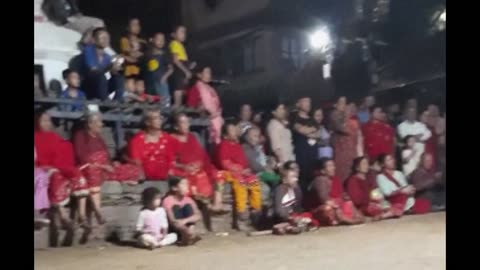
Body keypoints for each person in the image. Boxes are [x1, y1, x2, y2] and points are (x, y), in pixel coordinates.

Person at [73, 112, 144, 224]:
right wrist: (101, 165)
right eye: (99, 122)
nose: (102, 124)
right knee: (92, 171)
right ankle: (97, 212)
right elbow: (81, 156)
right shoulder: (80, 135)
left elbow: (106, 156)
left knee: (133, 169)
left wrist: (111, 164)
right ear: (91, 124)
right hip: (88, 168)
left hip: (103, 169)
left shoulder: (100, 138)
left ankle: (95, 212)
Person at [34, 110, 89, 229]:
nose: (46, 123)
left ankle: (82, 215)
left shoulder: (54, 137)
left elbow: (63, 155)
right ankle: (64, 216)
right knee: (56, 178)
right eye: (43, 121)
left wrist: (61, 167)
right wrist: (49, 168)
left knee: (78, 176)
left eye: (48, 121)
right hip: (43, 170)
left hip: (58, 167)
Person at [170, 113, 227, 213]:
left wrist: (200, 164)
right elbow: (171, 162)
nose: (186, 125)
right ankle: (204, 205)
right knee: (195, 179)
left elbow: (201, 155)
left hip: (199, 167)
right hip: (183, 170)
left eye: (187, 122)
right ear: (176, 126)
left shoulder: (192, 137)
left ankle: (217, 203)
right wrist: (184, 166)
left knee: (218, 174)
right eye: (183, 123)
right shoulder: (171, 139)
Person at [216, 122, 262, 224]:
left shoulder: (237, 145)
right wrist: (241, 170)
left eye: (235, 129)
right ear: (225, 135)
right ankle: (241, 210)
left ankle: (256, 208)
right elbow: (225, 163)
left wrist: (246, 170)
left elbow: (243, 161)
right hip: (228, 173)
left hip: (242, 172)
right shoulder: (223, 145)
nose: (235, 132)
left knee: (254, 181)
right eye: (232, 130)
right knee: (240, 183)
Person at [128, 109, 177, 192]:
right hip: (146, 178)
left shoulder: (168, 139)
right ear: (147, 122)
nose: (159, 120)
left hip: (166, 177)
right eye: (156, 118)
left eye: (160, 118)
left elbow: (172, 160)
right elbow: (137, 161)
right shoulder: (137, 140)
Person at [307, 158, 364, 226]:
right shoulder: (320, 180)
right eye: (330, 166)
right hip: (318, 209)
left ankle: (350, 218)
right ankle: (343, 219)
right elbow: (324, 199)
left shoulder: (333, 179)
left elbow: (341, 195)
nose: (333, 168)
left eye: (333, 165)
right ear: (322, 170)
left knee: (347, 203)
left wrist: (346, 199)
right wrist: (337, 207)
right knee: (328, 209)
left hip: (333, 205)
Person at [272, 162, 319, 235]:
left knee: (308, 217)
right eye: (292, 177)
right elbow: (280, 210)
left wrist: (299, 217)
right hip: (283, 217)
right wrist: (290, 217)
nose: (295, 179)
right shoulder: (280, 189)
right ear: (285, 180)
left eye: (296, 177)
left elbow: (298, 208)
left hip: (295, 216)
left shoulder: (297, 189)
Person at [82, 27, 125, 102]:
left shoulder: (107, 56)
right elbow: (93, 70)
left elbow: (111, 73)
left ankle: (117, 102)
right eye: (102, 37)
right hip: (88, 85)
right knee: (100, 76)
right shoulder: (88, 50)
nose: (105, 40)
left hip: (101, 86)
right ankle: (105, 101)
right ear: (94, 40)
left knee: (119, 78)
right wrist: (109, 67)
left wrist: (115, 68)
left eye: (107, 37)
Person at [185, 66, 224, 144]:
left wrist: (218, 113)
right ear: (199, 75)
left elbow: (218, 105)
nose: (209, 75)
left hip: (217, 121)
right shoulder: (196, 88)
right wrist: (199, 109)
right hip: (205, 123)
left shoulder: (210, 88)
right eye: (207, 72)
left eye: (210, 73)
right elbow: (190, 106)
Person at [330, 97, 362, 181]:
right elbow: (344, 129)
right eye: (341, 103)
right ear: (335, 105)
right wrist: (347, 114)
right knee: (343, 175)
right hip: (341, 151)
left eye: (345, 103)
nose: (344, 106)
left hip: (352, 151)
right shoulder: (334, 114)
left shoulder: (353, 118)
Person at [162, 177, 202, 245]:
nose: (186, 187)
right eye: (183, 184)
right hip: (175, 229)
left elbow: (198, 215)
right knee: (176, 207)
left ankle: (189, 233)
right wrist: (183, 228)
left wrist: (185, 221)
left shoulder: (189, 200)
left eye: (187, 184)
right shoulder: (168, 200)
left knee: (187, 206)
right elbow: (172, 221)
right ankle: (186, 235)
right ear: (174, 188)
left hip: (186, 225)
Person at [290, 97, 318, 190]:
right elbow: (301, 130)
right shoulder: (294, 117)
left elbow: (317, 134)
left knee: (311, 178)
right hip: (301, 154)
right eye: (305, 101)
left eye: (309, 101)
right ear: (298, 103)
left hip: (312, 154)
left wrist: (307, 131)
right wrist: (311, 130)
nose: (308, 104)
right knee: (301, 179)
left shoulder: (312, 119)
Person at [144, 32, 173, 107]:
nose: (161, 41)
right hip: (150, 82)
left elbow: (171, 69)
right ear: (153, 40)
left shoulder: (165, 54)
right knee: (150, 103)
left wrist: (164, 78)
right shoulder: (148, 53)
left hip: (161, 82)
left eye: (162, 40)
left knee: (164, 103)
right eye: (158, 39)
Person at [169, 25, 195, 107]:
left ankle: (179, 109)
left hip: (182, 70)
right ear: (174, 35)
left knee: (182, 91)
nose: (184, 34)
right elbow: (175, 60)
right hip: (178, 70)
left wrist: (189, 66)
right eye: (181, 32)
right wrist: (186, 71)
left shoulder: (181, 45)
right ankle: (176, 110)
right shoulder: (174, 43)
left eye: (184, 32)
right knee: (178, 91)